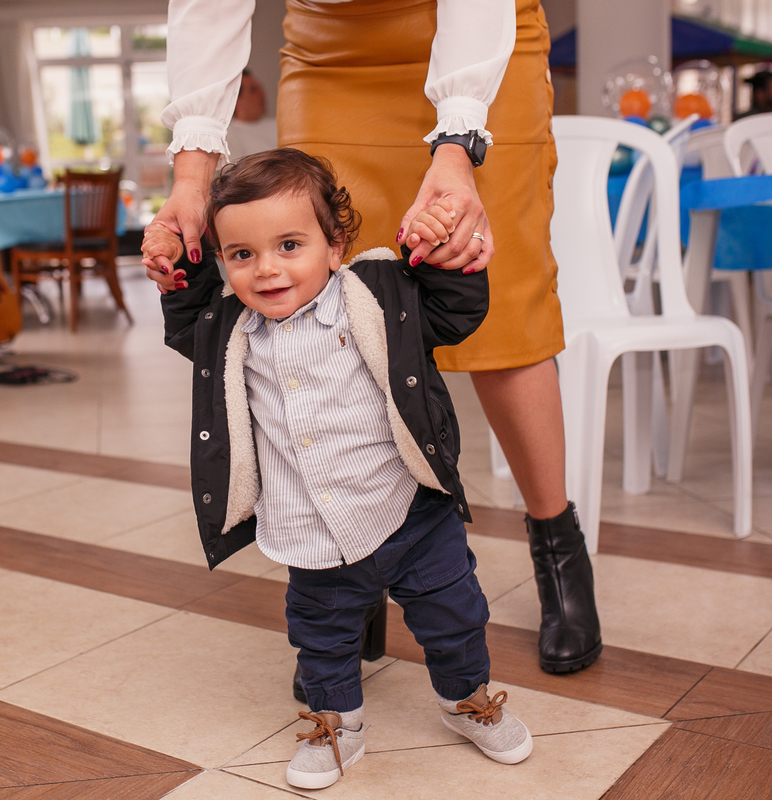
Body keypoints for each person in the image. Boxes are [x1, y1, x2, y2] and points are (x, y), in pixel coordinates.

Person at [145, 0, 602, 682]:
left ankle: (557, 546)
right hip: (331, 58)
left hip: (477, 46)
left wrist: (458, 146)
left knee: (505, 307)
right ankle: (350, 565)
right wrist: (191, 178)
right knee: (310, 294)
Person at [152, 148, 532, 789]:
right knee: (321, 637)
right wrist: (173, 264)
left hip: (411, 511)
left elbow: (456, 310)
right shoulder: (228, 328)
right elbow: (185, 311)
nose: (267, 269)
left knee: (455, 615)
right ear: (223, 263)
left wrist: (445, 254)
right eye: (242, 255)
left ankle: (466, 699)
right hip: (312, 528)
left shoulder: (380, 295)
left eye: (290, 245)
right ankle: (337, 722)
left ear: (336, 246)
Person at [226, 68, 278, 161]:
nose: (261, 93)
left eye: (260, 87)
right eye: (253, 90)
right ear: (236, 101)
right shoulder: (229, 135)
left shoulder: (278, 125)